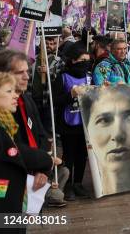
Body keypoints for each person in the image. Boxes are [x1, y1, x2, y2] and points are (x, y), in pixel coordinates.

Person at [0, 72, 60, 216]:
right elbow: (14, 151)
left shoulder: (6, 121)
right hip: (1, 194)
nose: (15, 95)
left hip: (7, 191)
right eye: (9, 91)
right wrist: (47, 160)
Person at [51, 43, 92, 201]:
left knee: (82, 155)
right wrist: (70, 94)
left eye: (88, 60)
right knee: (69, 155)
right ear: (73, 60)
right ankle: (67, 185)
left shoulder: (89, 76)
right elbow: (55, 100)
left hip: (85, 123)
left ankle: (78, 183)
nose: (85, 63)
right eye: (82, 60)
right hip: (68, 124)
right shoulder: (62, 77)